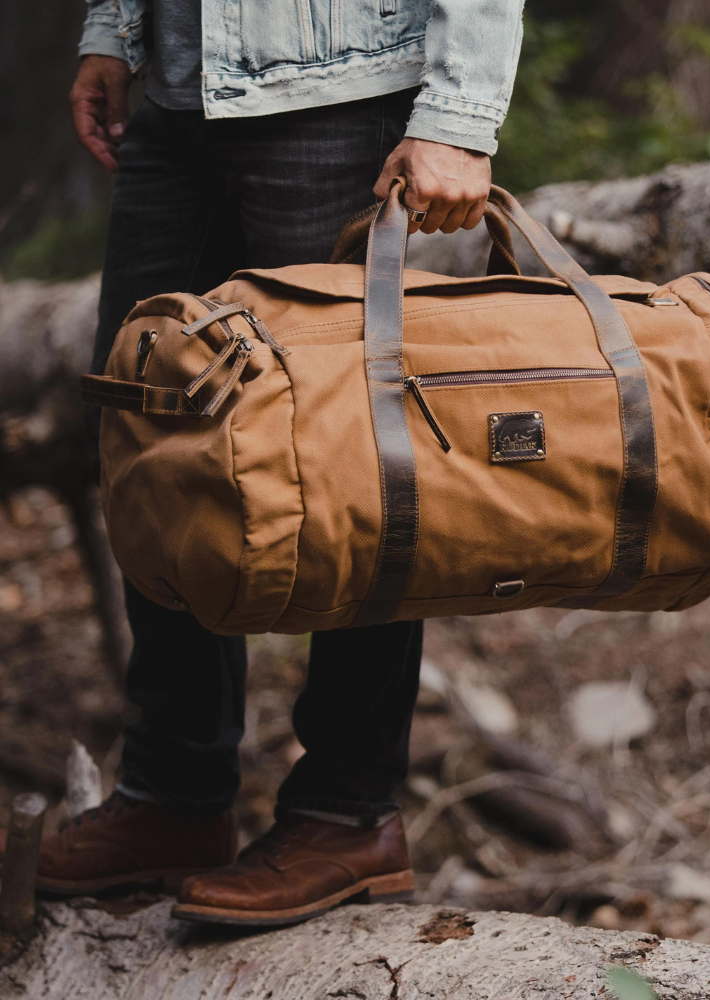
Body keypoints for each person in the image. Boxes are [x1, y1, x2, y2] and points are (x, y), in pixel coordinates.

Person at [14, 0, 524, 928]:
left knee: (353, 459)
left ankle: (347, 812)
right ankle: (175, 795)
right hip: (174, 100)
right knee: (147, 432)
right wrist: (115, 33)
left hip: (341, 94)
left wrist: (458, 115)